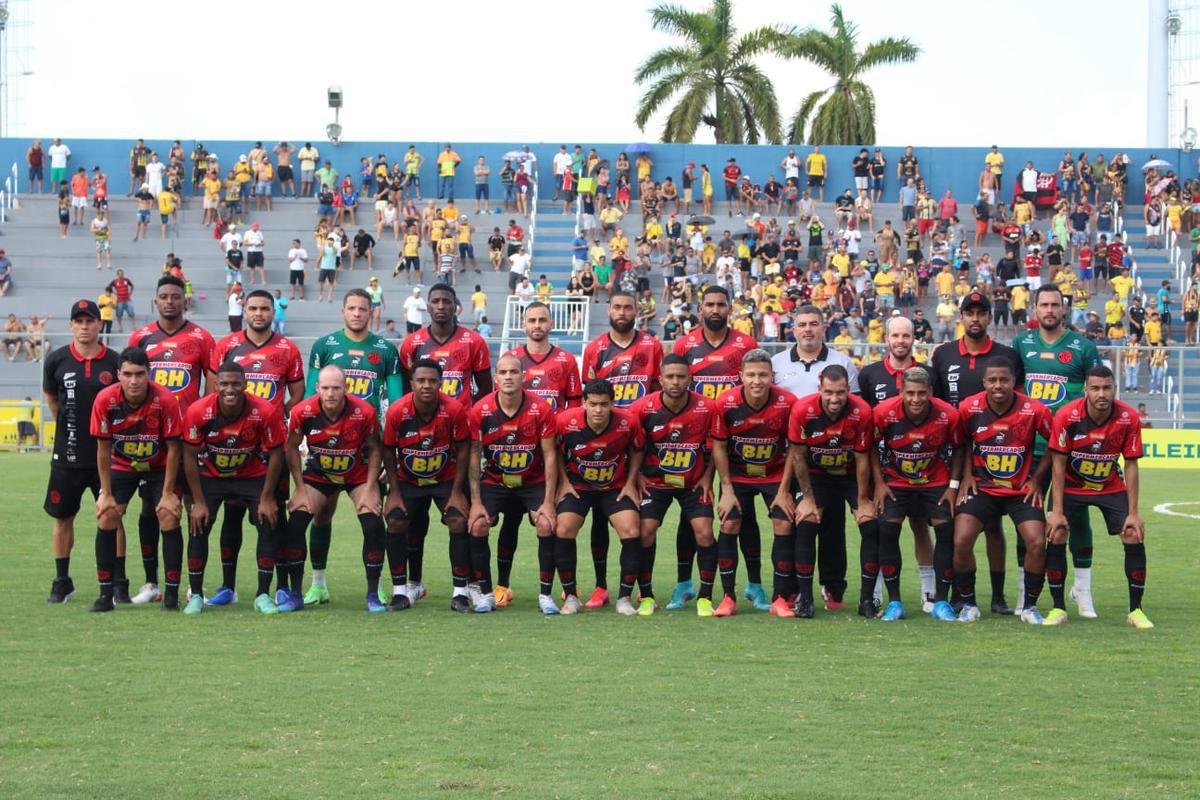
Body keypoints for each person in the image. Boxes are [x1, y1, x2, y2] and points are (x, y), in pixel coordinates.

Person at [207, 290, 305, 605]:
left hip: (268, 451)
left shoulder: (287, 348)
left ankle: (279, 586)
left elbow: (298, 390)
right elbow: (213, 390)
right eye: (253, 308)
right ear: (244, 310)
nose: (259, 313)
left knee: (272, 516)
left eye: (265, 308)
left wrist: (280, 416)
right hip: (231, 446)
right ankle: (228, 587)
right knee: (231, 517)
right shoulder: (226, 346)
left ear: (273, 312)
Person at [930, 290, 1025, 613]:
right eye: (969, 313)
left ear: (988, 318)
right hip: (955, 454)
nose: (975, 318)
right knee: (958, 524)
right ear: (961, 317)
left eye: (980, 313)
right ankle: (960, 593)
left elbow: (1020, 405)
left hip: (997, 453)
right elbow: (939, 405)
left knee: (995, 527)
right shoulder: (943, 354)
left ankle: (998, 597)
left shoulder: (1006, 355)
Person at [664, 286, 760, 609]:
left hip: (737, 441)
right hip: (695, 443)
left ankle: (755, 585)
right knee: (690, 516)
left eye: (721, 304)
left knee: (741, 516)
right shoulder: (685, 344)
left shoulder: (745, 344)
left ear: (730, 308)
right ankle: (684, 584)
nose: (715, 309)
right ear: (700, 308)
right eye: (710, 304)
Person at [1012, 285, 1103, 616]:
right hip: (1030, 450)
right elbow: (1012, 389)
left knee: (1075, 517)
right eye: (1044, 305)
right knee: (1030, 519)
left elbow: (1097, 393)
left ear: (1064, 309)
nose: (1049, 310)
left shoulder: (1083, 347)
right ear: (1034, 309)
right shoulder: (1022, 344)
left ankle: (1083, 590)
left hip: (1072, 450)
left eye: (1055, 305)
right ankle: (1025, 590)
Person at [1046, 366, 1152, 629]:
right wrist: (1057, 510)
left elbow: (1131, 465)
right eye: (1095, 388)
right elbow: (1057, 465)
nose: (1101, 393)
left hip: (1109, 485)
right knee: (1057, 532)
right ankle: (1058, 607)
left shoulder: (1128, 417)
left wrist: (1134, 512)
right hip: (1071, 486)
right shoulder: (1067, 415)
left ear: (1115, 389)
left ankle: (1136, 610)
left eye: (1107, 387)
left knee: (1133, 533)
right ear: (1086, 390)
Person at [953, 358, 1053, 625]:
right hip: (982, 488)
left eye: (1004, 380)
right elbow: (961, 443)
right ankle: (969, 603)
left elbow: (1056, 445)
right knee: (962, 540)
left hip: (1020, 491)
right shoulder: (969, 408)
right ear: (984, 382)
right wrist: (964, 476)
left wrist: (1036, 479)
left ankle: (1030, 607)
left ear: (1013, 382)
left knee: (1035, 542)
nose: (998, 385)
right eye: (993, 380)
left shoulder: (1034, 409)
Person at [180, 362, 286, 615]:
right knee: (199, 523)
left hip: (250, 475)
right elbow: (189, 456)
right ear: (216, 385)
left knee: (268, 520)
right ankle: (195, 594)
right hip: (211, 476)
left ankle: (262, 594)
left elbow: (276, 454)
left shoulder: (264, 411)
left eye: (236, 383)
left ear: (245, 384)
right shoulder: (198, 411)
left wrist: (268, 497)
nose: (230, 389)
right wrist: (198, 501)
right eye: (224, 384)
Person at [283, 365, 387, 611]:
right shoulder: (302, 411)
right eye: (326, 388)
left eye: (336, 388)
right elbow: (291, 448)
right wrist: (299, 487)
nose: (331, 393)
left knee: (373, 522)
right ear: (317, 388)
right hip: (320, 474)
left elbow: (375, 448)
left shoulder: (364, 412)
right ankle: (299, 593)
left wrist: (372, 487)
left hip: (357, 474)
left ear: (346, 389)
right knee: (296, 521)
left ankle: (374, 592)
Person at [88, 347, 184, 612]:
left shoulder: (165, 400)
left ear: (148, 374)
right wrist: (105, 493)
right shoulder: (104, 400)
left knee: (168, 514)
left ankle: (172, 596)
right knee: (107, 515)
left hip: (160, 466)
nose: (133, 380)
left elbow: (175, 449)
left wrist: (167, 494)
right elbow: (103, 449)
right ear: (118, 374)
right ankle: (106, 595)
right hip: (122, 466)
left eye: (139, 374)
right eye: (127, 374)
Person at [43, 300, 125, 604]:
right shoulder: (56, 360)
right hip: (68, 455)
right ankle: (62, 580)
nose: (84, 327)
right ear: (70, 326)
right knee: (63, 517)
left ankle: (118, 581)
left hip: (109, 456)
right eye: (78, 321)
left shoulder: (115, 362)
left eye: (89, 321)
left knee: (112, 514)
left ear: (99, 324)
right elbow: (54, 403)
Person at [465, 354, 559, 614]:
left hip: (532, 481)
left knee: (546, 523)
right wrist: (474, 502)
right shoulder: (480, 410)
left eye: (513, 372)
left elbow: (550, 455)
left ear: (523, 376)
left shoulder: (540, 409)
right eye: (503, 372)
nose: (508, 376)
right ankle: (485, 594)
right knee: (477, 524)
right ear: (495, 378)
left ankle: (545, 595)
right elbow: (474, 456)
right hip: (495, 480)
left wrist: (549, 502)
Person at [628, 354, 720, 615]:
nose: (676, 382)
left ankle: (705, 596)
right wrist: (637, 476)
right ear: (660, 379)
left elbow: (715, 447)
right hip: (654, 483)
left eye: (681, 376)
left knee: (704, 531)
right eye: (670, 376)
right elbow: (631, 446)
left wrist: (707, 476)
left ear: (690, 379)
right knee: (645, 530)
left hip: (693, 482)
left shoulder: (707, 408)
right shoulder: (642, 408)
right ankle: (646, 595)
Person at [710, 351, 799, 617]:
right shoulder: (725, 403)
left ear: (772, 376)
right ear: (741, 377)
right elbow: (719, 447)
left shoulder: (788, 402)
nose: (757, 380)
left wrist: (784, 492)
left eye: (763, 374)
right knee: (730, 522)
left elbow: (795, 449)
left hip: (775, 475)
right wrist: (726, 490)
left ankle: (780, 599)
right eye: (751, 375)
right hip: (737, 476)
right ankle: (728, 597)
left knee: (783, 522)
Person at [871, 367, 963, 622]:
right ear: (901, 392)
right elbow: (869, 448)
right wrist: (879, 483)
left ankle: (941, 601)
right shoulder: (883, 413)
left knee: (946, 530)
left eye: (921, 393)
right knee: (887, 529)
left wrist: (953, 486)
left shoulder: (947, 414)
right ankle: (895, 602)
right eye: (910, 393)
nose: (915, 399)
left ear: (930, 393)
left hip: (935, 481)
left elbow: (959, 448)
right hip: (897, 481)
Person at [381, 358, 472, 611]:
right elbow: (388, 451)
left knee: (458, 519)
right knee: (397, 520)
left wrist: (457, 492)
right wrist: (394, 493)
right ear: (412, 383)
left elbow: (464, 448)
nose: (426, 385)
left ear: (440, 383)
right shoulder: (398, 411)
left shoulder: (453, 409)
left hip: (445, 479)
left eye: (432, 381)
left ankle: (461, 592)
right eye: (421, 380)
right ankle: (401, 591)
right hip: (409, 481)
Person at [787, 365, 877, 617]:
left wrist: (862, 500)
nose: (835, 399)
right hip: (816, 476)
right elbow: (797, 457)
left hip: (849, 475)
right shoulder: (803, 410)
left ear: (849, 390)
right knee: (807, 522)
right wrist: (807, 498)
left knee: (869, 524)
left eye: (840, 392)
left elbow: (862, 459)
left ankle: (867, 600)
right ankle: (805, 599)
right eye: (829, 392)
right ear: (820, 389)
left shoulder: (862, 412)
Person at [549, 379, 645, 616]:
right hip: (579, 487)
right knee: (563, 529)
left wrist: (632, 481)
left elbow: (637, 448)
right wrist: (564, 481)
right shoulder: (564, 422)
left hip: (615, 486)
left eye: (604, 404)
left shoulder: (628, 421)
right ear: (584, 403)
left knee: (632, 530)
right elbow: (554, 451)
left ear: (612, 403)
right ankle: (570, 596)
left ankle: (624, 598)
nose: (599, 410)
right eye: (593, 404)